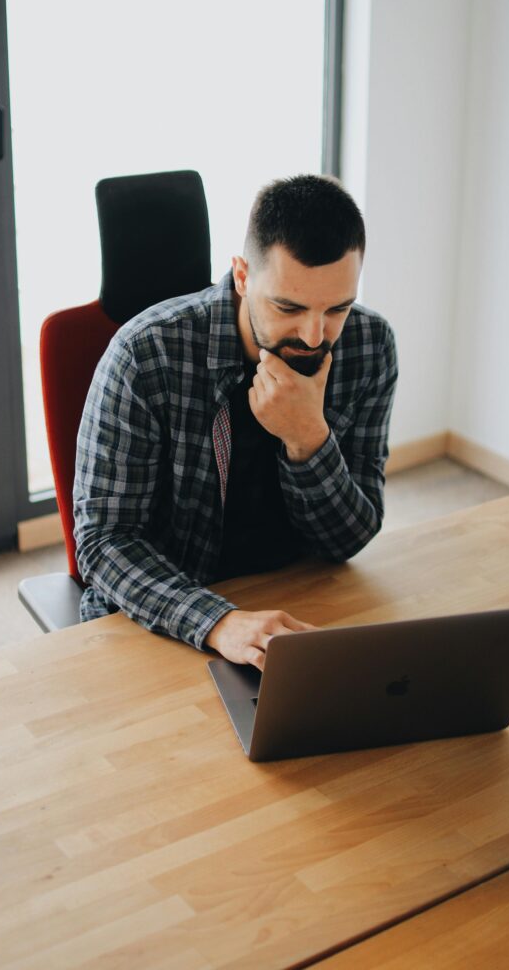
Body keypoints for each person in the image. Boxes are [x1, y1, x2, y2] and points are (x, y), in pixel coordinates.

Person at [73, 174, 398, 671]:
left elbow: (348, 540)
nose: (314, 336)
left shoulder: (370, 346)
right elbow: (103, 543)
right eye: (288, 306)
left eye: (337, 308)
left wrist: (307, 437)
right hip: (163, 619)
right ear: (243, 276)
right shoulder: (145, 355)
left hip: (293, 607)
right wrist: (218, 622)